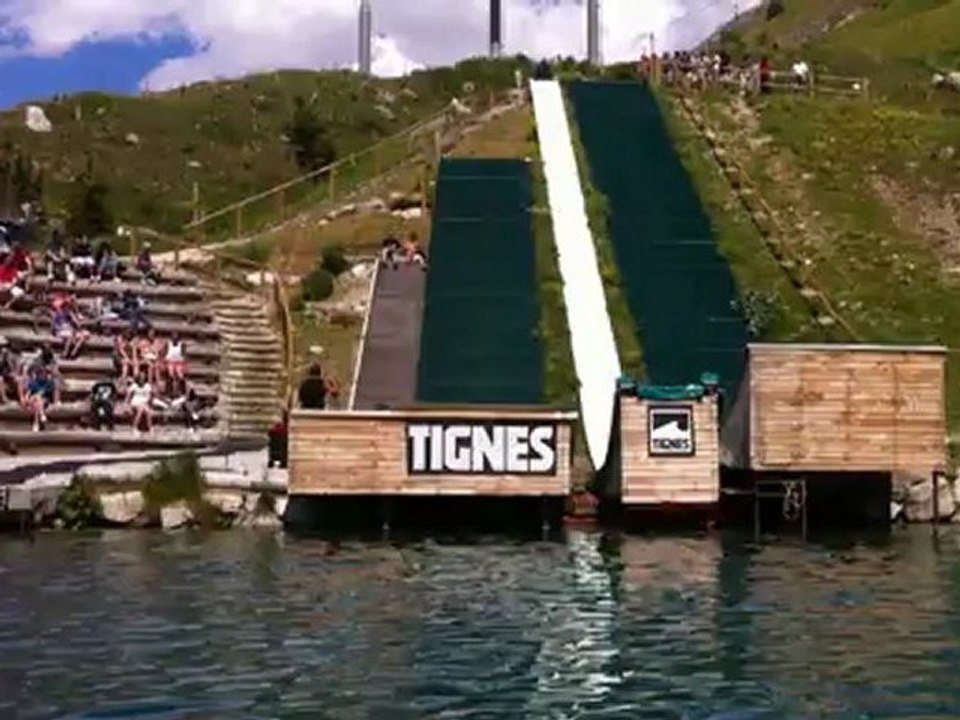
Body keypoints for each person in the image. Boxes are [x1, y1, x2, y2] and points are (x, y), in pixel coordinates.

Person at [25, 366, 54, 432]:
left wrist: (39, 394)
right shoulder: (33, 382)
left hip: (44, 400)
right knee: (36, 399)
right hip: (33, 400)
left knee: (37, 400)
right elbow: (29, 392)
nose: (42, 375)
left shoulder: (48, 382)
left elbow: (49, 391)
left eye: (43, 374)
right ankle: (41, 414)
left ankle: (36, 423)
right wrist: (26, 397)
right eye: (40, 374)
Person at [126, 371, 153, 435]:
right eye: (140, 378)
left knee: (147, 411)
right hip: (135, 403)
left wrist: (145, 403)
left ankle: (150, 428)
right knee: (140, 410)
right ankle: (134, 428)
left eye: (143, 378)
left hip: (144, 402)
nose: (141, 380)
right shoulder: (134, 386)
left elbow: (148, 397)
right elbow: (128, 396)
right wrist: (127, 406)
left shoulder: (147, 386)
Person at [0, 336, 20, 405]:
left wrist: (12, 374)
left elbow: (10, 369)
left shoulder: (7, 356)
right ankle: (4, 398)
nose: (3, 348)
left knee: (17, 379)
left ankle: (20, 398)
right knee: (0, 379)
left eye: (4, 346)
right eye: (1, 346)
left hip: (6, 376)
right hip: (1, 378)